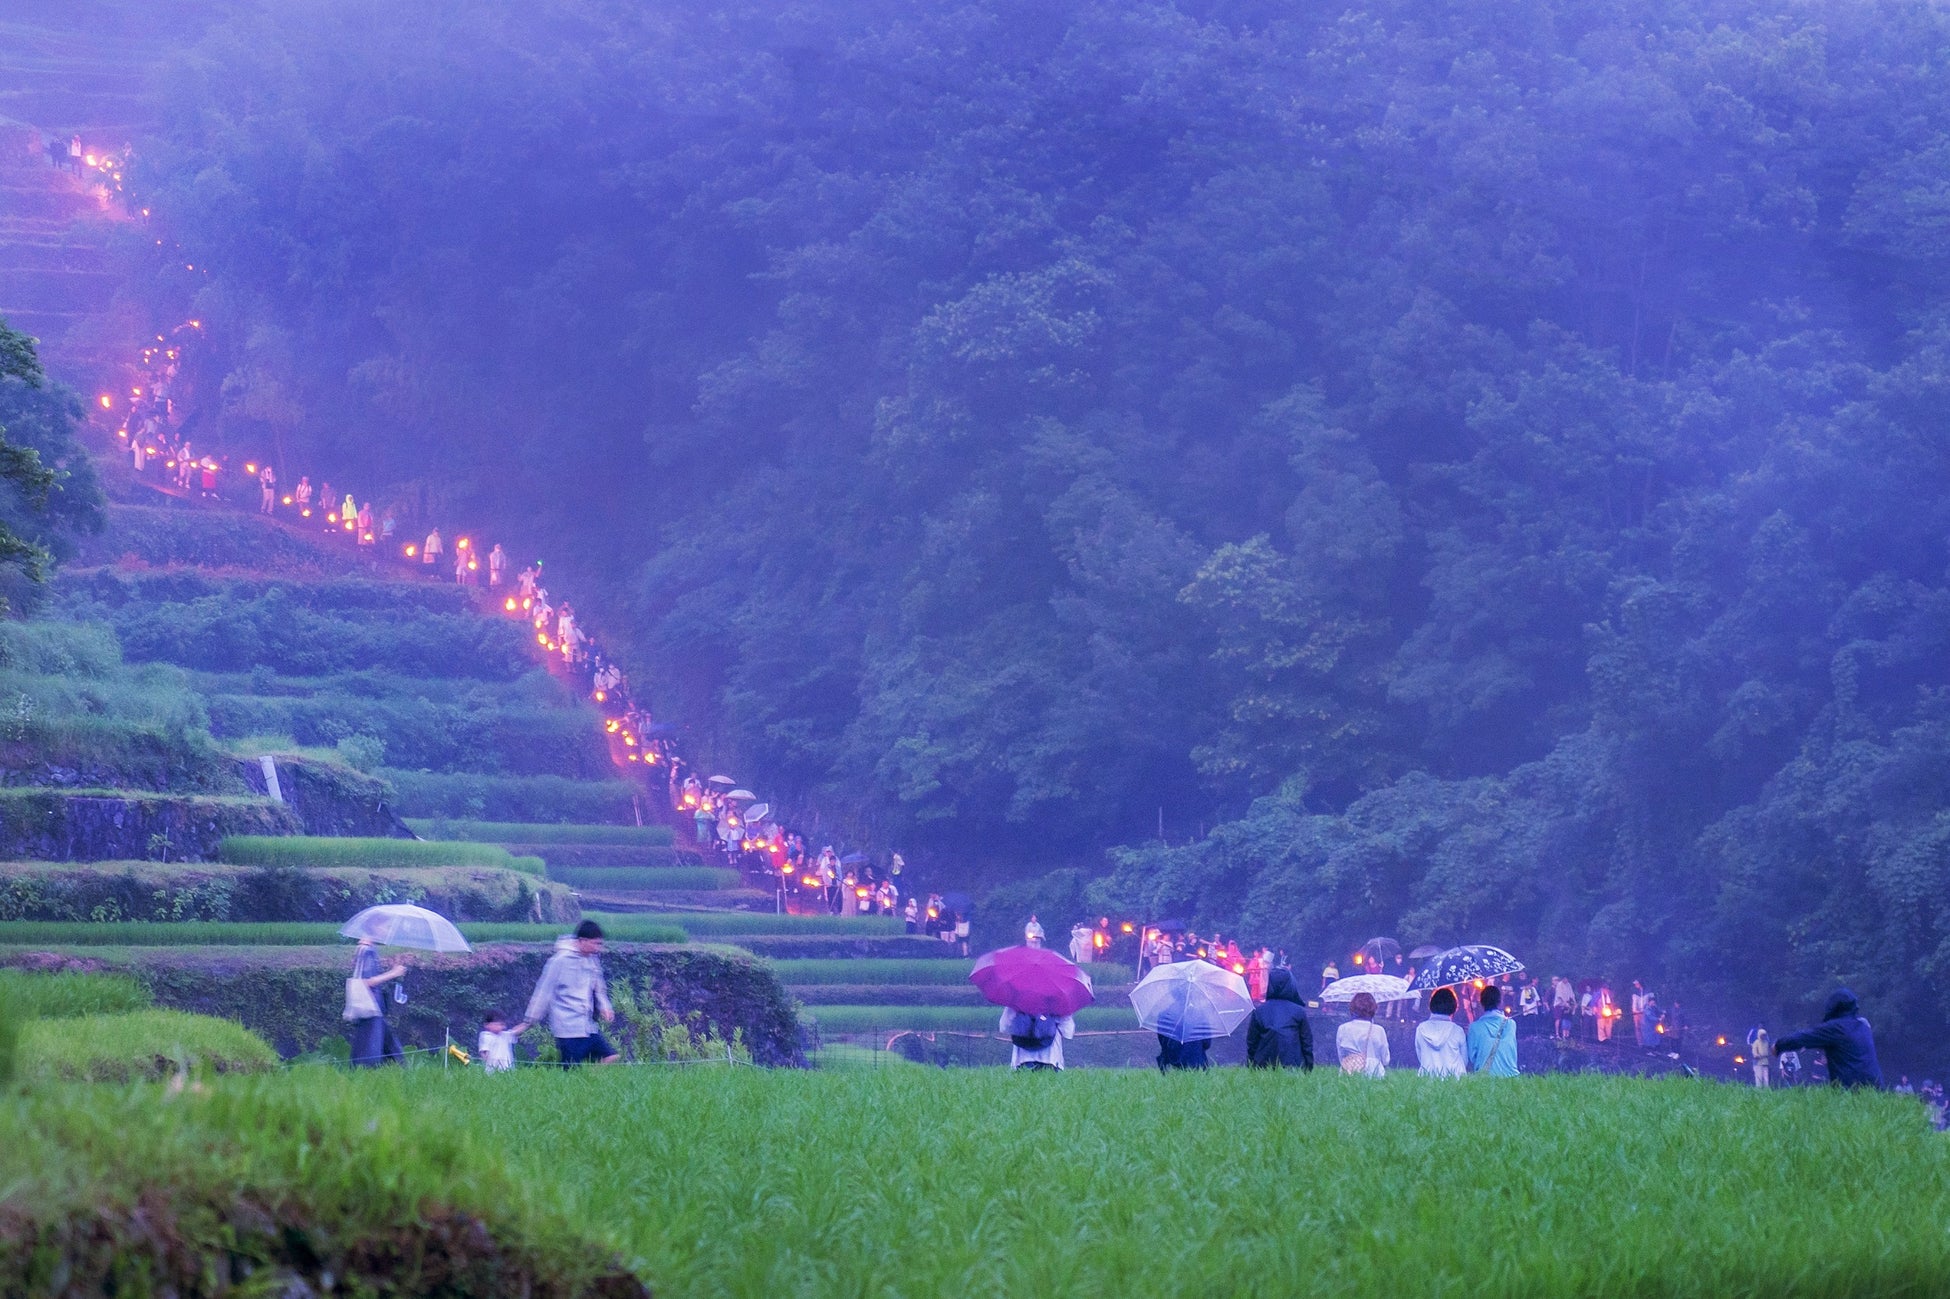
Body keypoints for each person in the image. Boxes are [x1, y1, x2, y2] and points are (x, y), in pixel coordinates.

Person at [514, 920, 618, 1067]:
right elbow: (544, 991)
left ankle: (591, 1082)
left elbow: (599, 987)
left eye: (600, 944)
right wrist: (530, 1021)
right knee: (570, 1072)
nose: (598, 948)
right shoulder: (559, 960)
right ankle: (578, 1087)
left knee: (611, 1056)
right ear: (582, 941)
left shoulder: (592, 960)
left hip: (586, 1025)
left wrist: (605, 1007)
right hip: (567, 1027)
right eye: (595, 944)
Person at [1773, 988, 1885, 1089]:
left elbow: (1803, 1037)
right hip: (1876, 1087)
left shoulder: (1835, 1028)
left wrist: (1778, 1046)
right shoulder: (1863, 1026)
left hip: (1851, 1088)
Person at [346, 938, 407, 1067]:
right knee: (370, 1048)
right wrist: (393, 973)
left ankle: (401, 1071)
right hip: (370, 1006)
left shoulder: (367, 949)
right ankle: (366, 1072)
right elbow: (368, 981)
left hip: (374, 1006)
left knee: (387, 1044)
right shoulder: (367, 951)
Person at [1245, 967, 1314, 1069]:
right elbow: (1306, 1042)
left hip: (1262, 1067)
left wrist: (1251, 1064)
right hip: (1293, 1067)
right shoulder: (1299, 1011)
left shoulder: (1259, 1011)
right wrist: (1308, 1066)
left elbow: (1252, 1042)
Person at [1466, 984, 1519, 1076]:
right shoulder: (1511, 1024)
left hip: (1486, 1077)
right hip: (1511, 1076)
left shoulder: (1474, 1027)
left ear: (1481, 1003)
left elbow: (1472, 1057)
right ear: (1500, 1002)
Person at [1415, 987, 1469, 1078]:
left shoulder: (1421, 1028)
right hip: (1455, 1079)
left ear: (1431, 1005)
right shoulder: (1457, 1030)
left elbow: (1420, 1057)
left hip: (1427, 1078)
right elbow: (1464, 1060)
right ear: (1453, 1007)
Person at [1002, 1006, 1075, 1071]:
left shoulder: (1017, 999)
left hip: (1022, 1058)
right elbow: (1067, 1031)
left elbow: (1004, 1026)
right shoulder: (1058, 1001)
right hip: (1050, 1057)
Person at [1337, 991, 1390, 1077]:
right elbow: (1385, 1059)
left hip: (1348, 1070)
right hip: (1374, 1072)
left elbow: (1341, 1056)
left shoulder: (1342, 1028)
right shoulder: (1379, 1030)